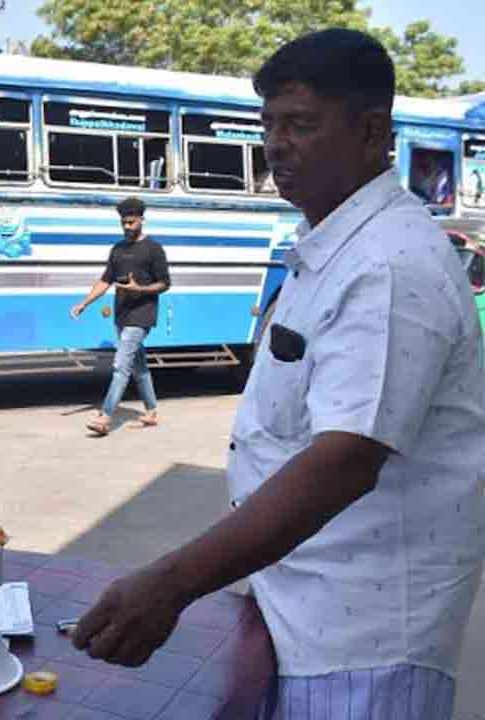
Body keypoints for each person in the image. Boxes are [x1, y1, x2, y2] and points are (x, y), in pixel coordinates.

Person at [70, 29, 485, 719]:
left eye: (301, 124)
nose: (276, 145)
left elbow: (343, 461)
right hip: (298, 614)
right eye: (268, 125)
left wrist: (171, 583)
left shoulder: (386, 266)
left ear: (372, 131)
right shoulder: (336, 246)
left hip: (360, 648)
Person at [70, 196, 170, 436]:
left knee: (120, 366)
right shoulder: (118, 249)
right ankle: (152, 411)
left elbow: (165, 283)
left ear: (142, 220)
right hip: (122, 315)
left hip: (142, 315)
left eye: (131, 222)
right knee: (139, 366)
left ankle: (105, 416)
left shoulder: (154, 249)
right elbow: (106, 280)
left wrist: (140, 290)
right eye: (123, 223)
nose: (127, 227)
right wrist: (84, 303)